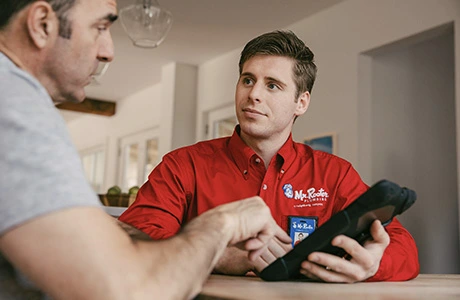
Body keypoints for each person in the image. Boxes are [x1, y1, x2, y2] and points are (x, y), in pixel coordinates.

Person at [0, 1, 289, 299]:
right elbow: (127, 290)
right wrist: (225, 223)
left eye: (274, 86)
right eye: (99, 27)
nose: (108, 51)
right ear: (42, 23)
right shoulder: (13, 103)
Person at [119, 30, 420, 283]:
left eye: (272, 85)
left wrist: (374, 265)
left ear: (300, 103)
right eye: (248, 80)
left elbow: (402, 245)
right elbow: (133, 238)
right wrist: (215, 252)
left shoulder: (334, 174)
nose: (253, 94)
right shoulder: (183, 165)